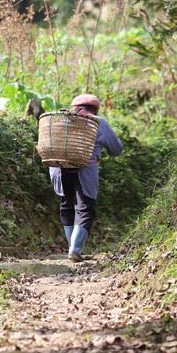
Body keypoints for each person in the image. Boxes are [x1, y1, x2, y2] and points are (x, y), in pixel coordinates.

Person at [49, 94, 123, 262]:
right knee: (85, 208)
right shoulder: (98, 122)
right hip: (86, 168)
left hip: (58, 167)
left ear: (73, 107)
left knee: (66, 206)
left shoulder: (61, 119)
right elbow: (116, 150)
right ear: (95, 109)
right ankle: (74, 250)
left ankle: (72, 249)